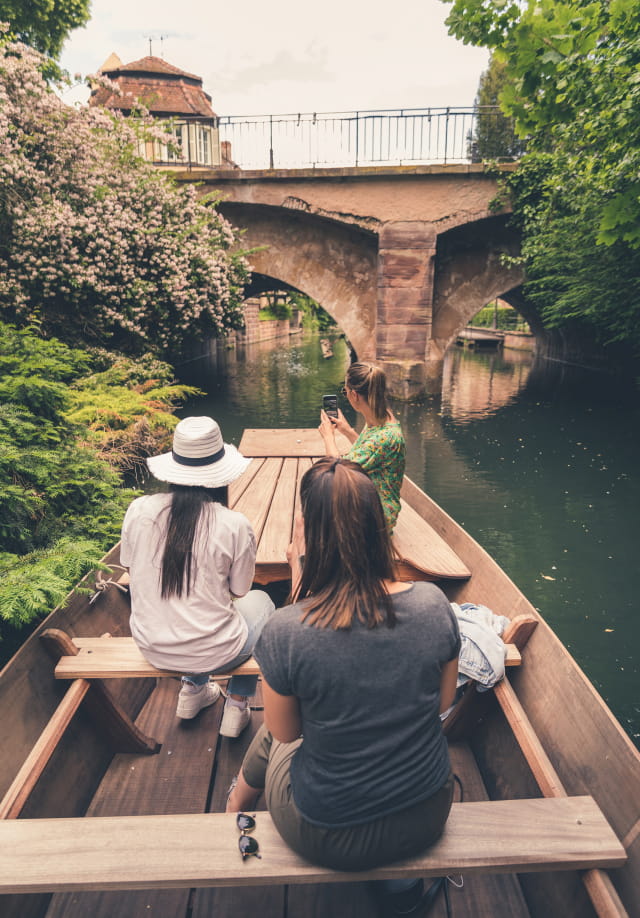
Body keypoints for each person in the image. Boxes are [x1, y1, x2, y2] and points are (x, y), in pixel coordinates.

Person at [227, 458, 460, 915]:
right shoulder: (435, 604)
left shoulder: (285, 630)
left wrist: (298, 579)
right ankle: (399, 889)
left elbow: (287, 732)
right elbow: (444, 701)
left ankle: (235, 805)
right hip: (428, 812)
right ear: (379, 528)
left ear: (309, 536)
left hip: (327, 833)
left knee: (274, 729)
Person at [120, 416, 275, 738]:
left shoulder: (138, 509)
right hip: (219, 653)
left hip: (151, 646)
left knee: (188, 608)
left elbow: (131, 571)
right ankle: (237, 704)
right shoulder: (233, 523)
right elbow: (240, 590)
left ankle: (192, 691)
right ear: (219, 475)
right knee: (263, 602)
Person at [318, 362, 406, 532]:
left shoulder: (385, 437)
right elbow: (372, 452)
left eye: (345, 391)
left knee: (318, 497)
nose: (346, 396)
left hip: (377, 517)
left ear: (354, 395)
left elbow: (337, 472)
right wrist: (347, 431)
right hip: (368, 499)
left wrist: (328, 437)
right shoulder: (379, 418)